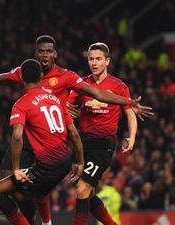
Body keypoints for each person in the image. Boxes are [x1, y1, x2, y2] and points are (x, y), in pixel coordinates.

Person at [0, 35, 152, 225]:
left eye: (48, 51)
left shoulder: (66, 76)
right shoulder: (25, 71)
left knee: (44, 189)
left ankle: (45, 222)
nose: (44, 55)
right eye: (41, 51)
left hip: (53, 141)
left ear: (55, 54)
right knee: (6, 180)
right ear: (36, 54)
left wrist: (127, 102)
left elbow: (97, 93)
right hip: (30, 137)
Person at [0, 58, 84, 225]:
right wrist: (81, 162)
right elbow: (74, 134)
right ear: (41, 76)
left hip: (47, 167)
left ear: (22, 79)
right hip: (66, 163)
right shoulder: (56, 99)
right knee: (25, 193)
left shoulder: (21, 104)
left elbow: (17, 136)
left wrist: (17, 168)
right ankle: (46, 223)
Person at [68, 42, 137, 225]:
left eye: (98, 59)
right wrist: (67, 108)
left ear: (107, 61)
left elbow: (129, 112)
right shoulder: (81, 84)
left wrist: (132, 137)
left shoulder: (118, 85)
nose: (94, 62)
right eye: (91, 59)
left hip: (103, 144)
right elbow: (68, 106)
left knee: (82, 189)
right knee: (88, 194)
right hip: (81, 145)